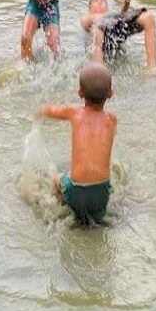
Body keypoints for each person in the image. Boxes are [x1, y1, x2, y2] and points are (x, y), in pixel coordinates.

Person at [36, 62, 116, 225]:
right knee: (97, 216)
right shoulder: (112, 120)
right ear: (110, 93)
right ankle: (96, 219)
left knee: (57, 178)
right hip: (101, 192)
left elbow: (51, 111)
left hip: (77, 189)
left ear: (80, 93)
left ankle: (63, 207)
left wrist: (40, 110)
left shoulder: (74, 112)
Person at [80, 0, 156, 71]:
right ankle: (98, 73)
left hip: (114, 26)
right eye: (95, 0)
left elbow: (120, 16)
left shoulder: (111, 15)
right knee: (97, 29)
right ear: (89, 8)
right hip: (100, 35)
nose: (99, 2)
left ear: (107, 7)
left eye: (103, 0)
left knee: (148, 17)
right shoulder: (86, 17)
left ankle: (152, 70)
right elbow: (90, 22)